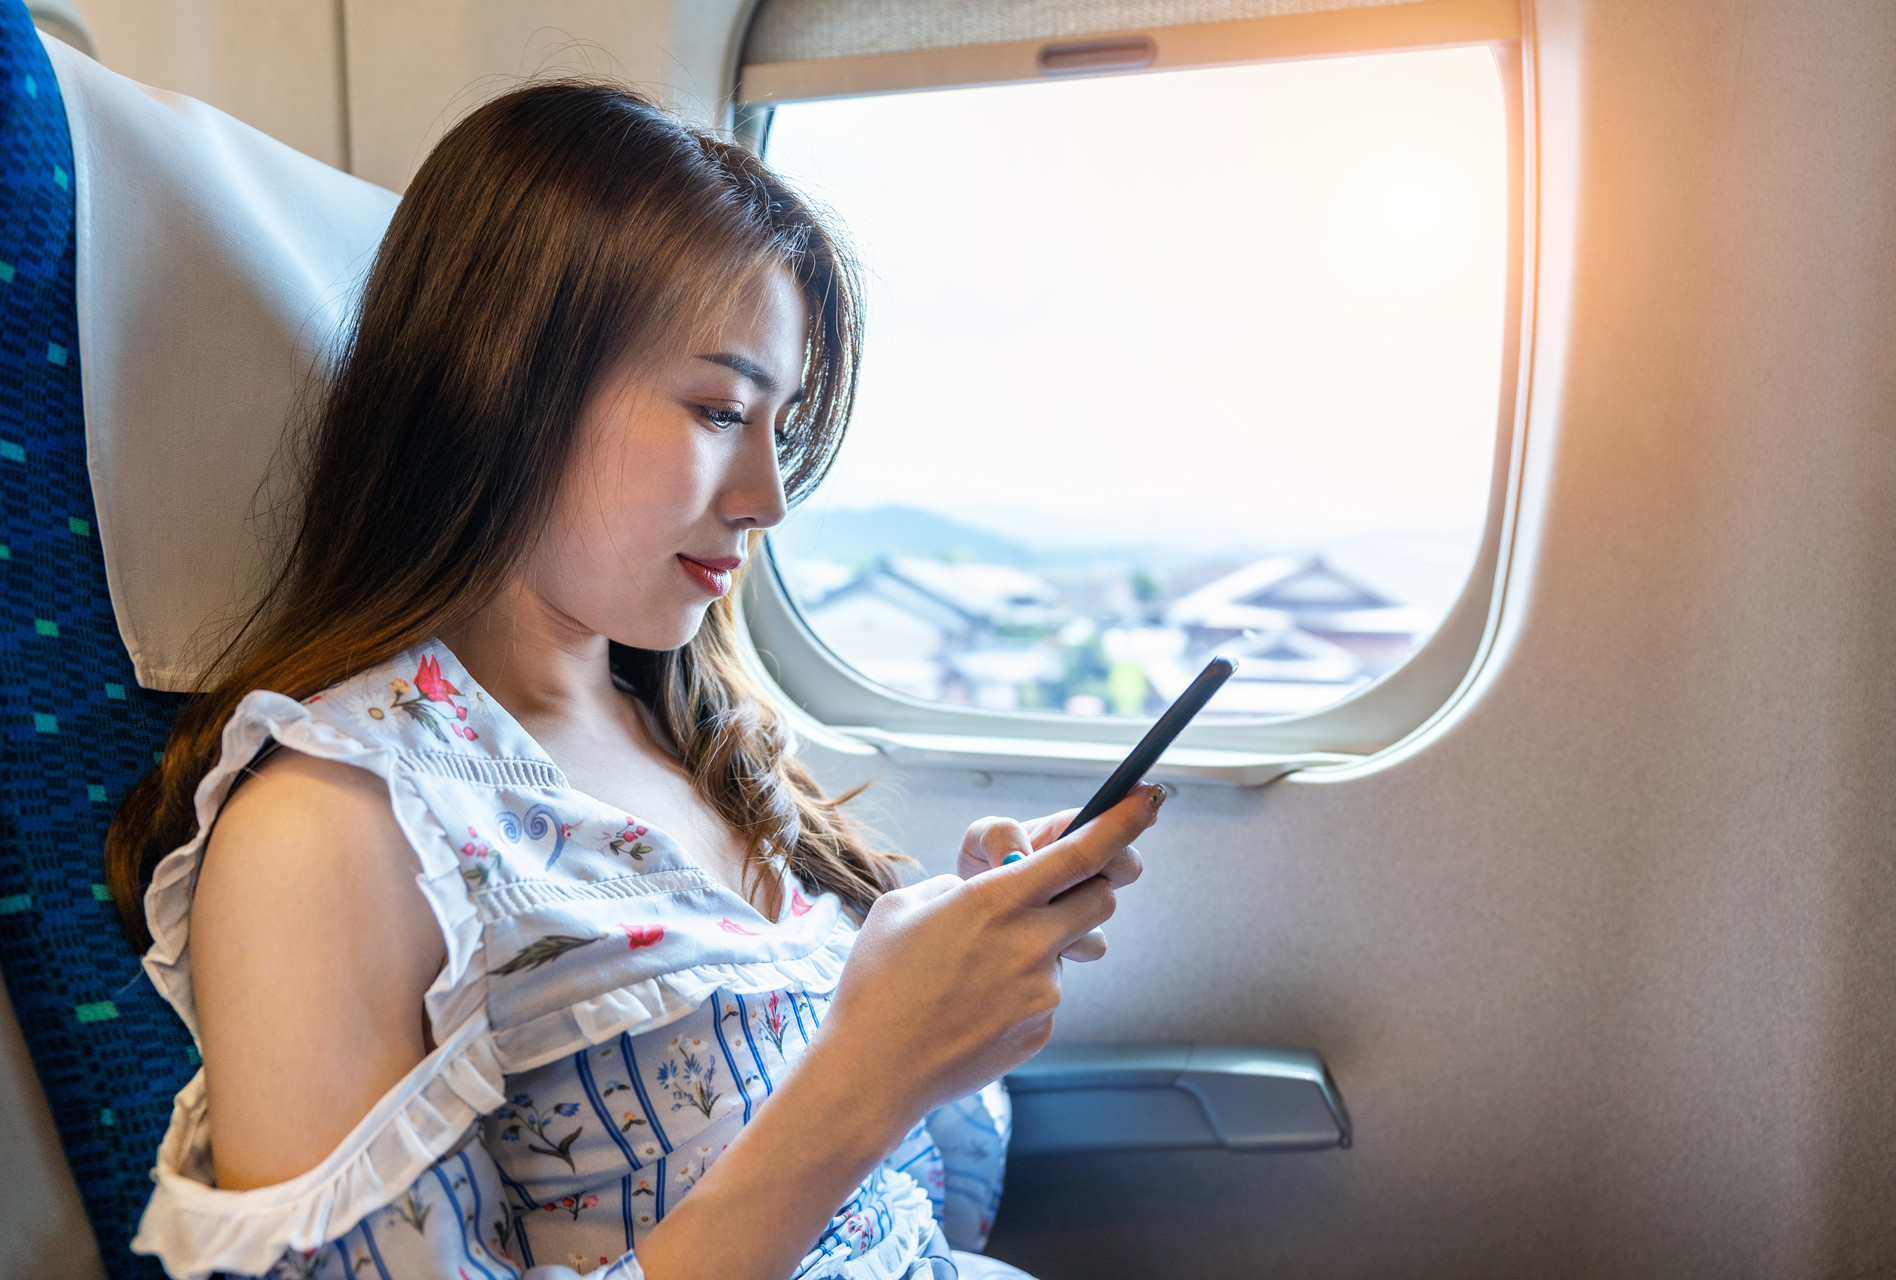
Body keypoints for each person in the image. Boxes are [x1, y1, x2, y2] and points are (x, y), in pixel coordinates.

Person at [102, 80, 1160, 1280]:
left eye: (780, 425)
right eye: (719, 408)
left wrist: (954, 953)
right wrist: (873, 1069)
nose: (766, 496)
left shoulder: (683, 727)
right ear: (506, 384)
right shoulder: (335, 830)